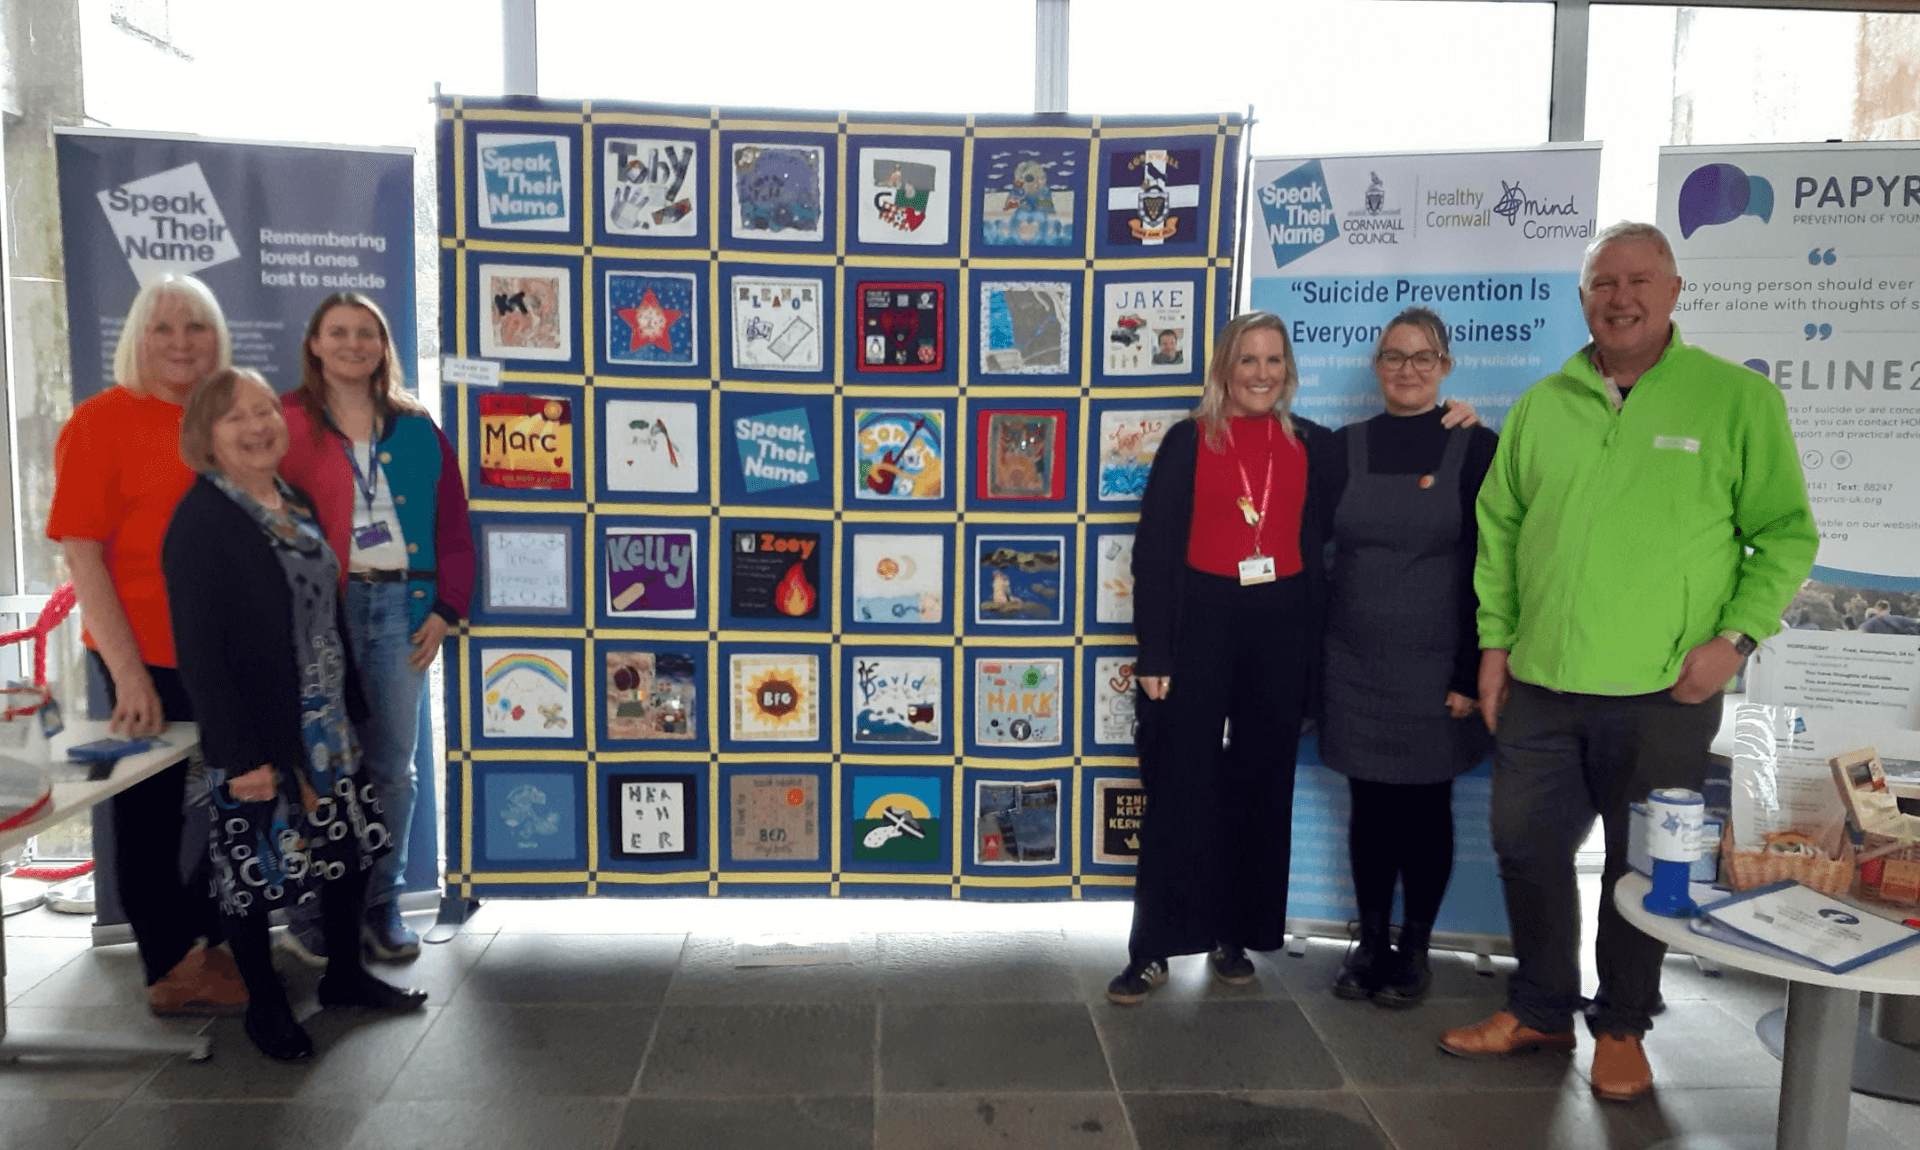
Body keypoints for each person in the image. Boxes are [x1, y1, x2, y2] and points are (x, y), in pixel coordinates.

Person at [1440, 223, 1817, 1102]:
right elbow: (1499, 532)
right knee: (1526, 848)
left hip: (1664, 691)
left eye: (1639, 280)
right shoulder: (1544, 404)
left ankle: (1621, 1025)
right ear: (1583, 300)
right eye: (1603, 284)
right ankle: (1540, 1007)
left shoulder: (1735, 400)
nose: (1620, 299)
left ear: (1674, 291)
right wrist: (1495, 645)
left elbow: (1786, 534)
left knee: (1639, 866)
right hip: (1539, 683)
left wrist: (1736, 640)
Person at [163, 367, 427, 1061]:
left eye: (264, 412)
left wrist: (349, 707)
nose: (257, 427)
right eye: (236, 418)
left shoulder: (294, 500)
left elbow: (324, 611)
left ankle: (345, 977)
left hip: (325, 723)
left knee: (344, 854)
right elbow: (201, 652)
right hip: (256, 731)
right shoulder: (202, 520)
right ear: (206, 435)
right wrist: (240, 756)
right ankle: (266, 1008)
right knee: (252, 873)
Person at [1106, 311, 1333, 1003]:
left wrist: (1454, 420)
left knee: (1261, 789)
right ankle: (1153, 948)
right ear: (1225, 370)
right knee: (1180, 786)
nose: (1261, 374)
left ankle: (1235, 934)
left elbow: (1393, 465)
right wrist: (1155, 651)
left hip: (1281, 628)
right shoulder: (1188, 441)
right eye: (1248, 360)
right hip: (1198, 623)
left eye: (1274, 360)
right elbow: (1153, 550)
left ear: (1288, 371)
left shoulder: (1316, 446)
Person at [46, 272, 246, 1016]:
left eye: (196, 327)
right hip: (144, 653)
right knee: (150, 811)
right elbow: (82, 553)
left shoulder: (230, 417)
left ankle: (206, 938)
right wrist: (129, 675)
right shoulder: (101, 422)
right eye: (163, 328)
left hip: (226, 652)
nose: (181, 343)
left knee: (248, 800)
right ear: (138, 337)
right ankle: (168, 965)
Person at [277, 292, 473, 962]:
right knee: (316, 768)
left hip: (401, 611)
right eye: (338, 332)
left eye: (366, 333)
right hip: (317, 616)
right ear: (314, 343)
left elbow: (453, 526)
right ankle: (312, 910)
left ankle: (380, 905)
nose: (353, 345)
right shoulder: (285, 420)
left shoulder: (416, 427)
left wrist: (446, 609)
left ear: (384, 346)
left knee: (392, 769)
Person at [1317, 307, 1497, 1008]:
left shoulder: (1476, 448)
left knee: (1425, 810)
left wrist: (1470, 672)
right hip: (1353, 666)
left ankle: (1414, 949)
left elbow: (1492, 567)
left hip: (1437, 673)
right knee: (1368, 807)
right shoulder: (1343, 449)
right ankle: (1369, 942)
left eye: (1423, 357)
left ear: (1445, 367)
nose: (1408, 370)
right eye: (1394, 356)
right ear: (1377, 367)